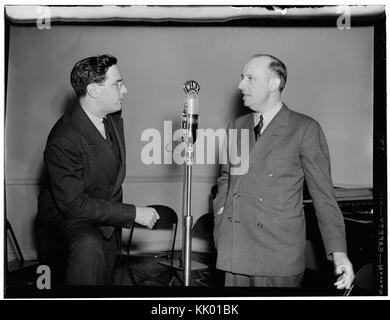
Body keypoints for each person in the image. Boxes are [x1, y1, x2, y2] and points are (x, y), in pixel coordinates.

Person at [213, 54, 354, 289]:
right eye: (242, 78)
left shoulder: (304, 129)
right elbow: (226, 179)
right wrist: (220, 214)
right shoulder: (236, 126)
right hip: (234, 248)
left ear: (274, 83)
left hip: (276, 256)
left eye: (250, 78)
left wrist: (338, 252)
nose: (240, 85)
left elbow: (324, 197)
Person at [37, 54, 159, 285]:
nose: (125, 91)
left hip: (105, 221)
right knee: (89, 257)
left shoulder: (110, 117)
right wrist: (133, 213)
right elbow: (73, 205)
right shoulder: (64, 138)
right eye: (117, 84)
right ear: (93, 90)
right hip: (76, 220)